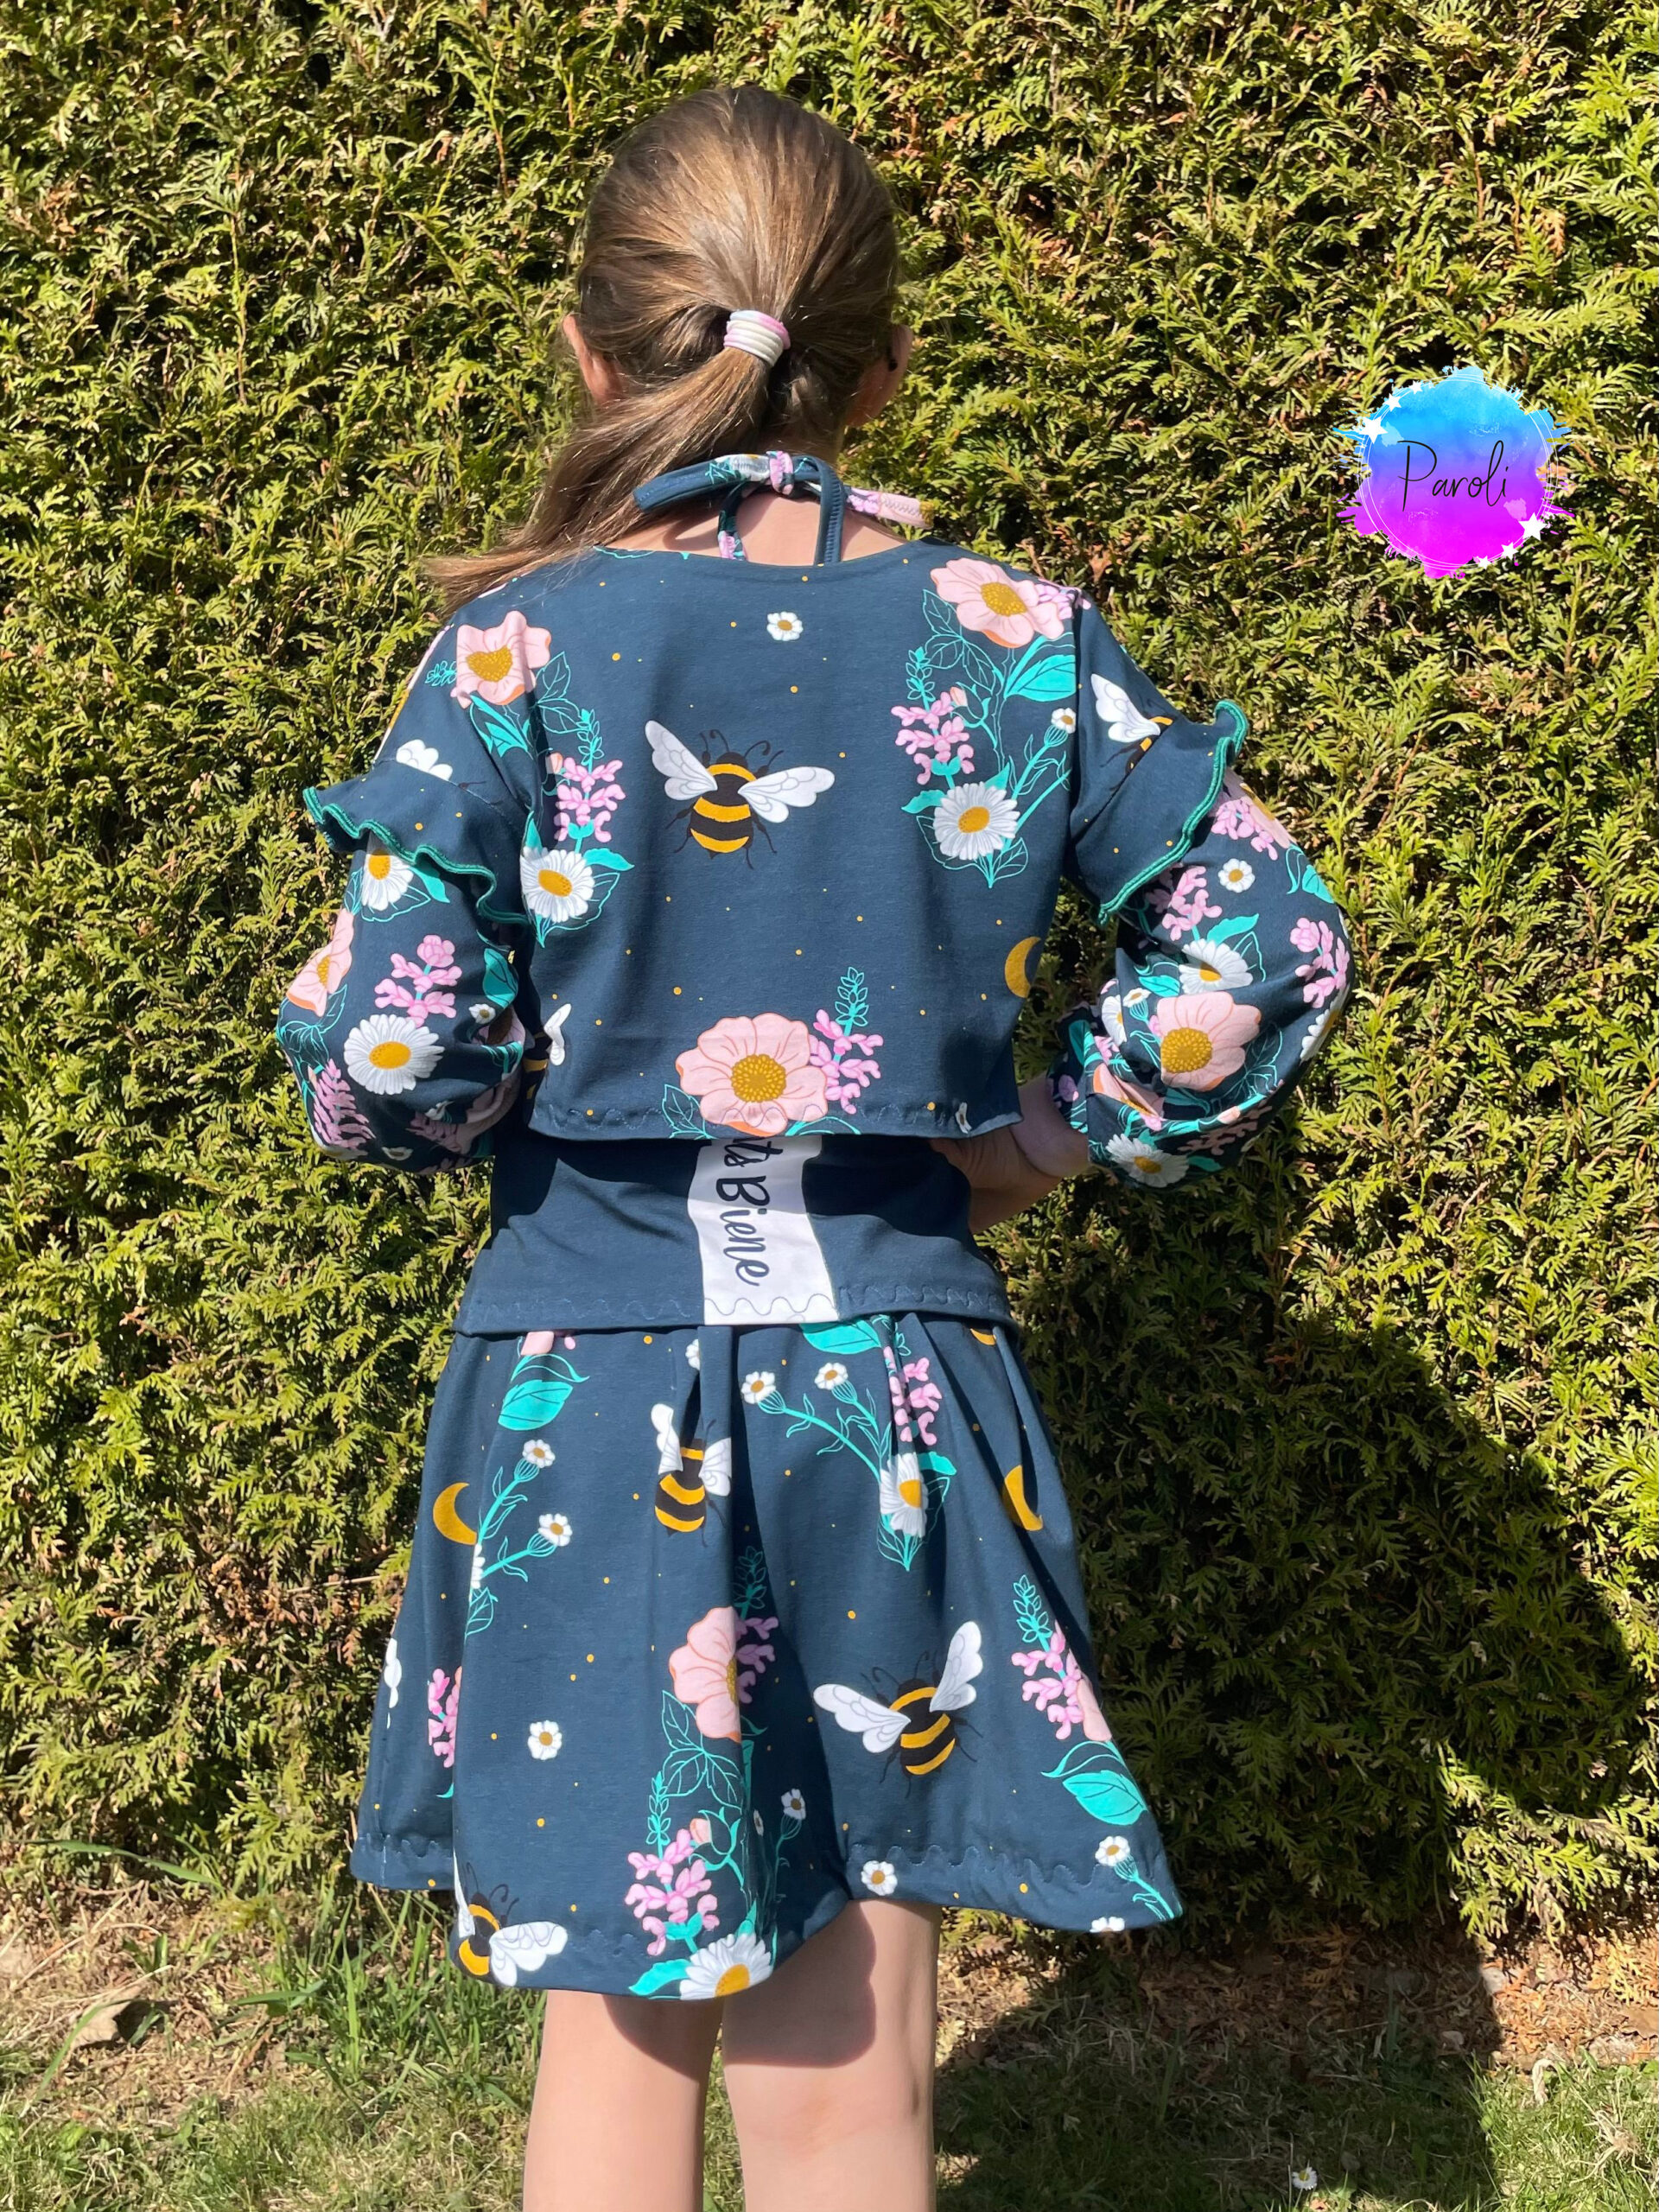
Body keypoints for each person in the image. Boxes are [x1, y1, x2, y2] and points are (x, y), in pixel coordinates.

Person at [275, 83, 1351, 2212]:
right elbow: (1264, 939)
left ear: (593, 352)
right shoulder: (1013, 635)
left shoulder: (522, 645)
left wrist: (433, 1093)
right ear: (883, 371)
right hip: (898, 1383)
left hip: (583, 1404)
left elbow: (395, 1042)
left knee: (619, 2032)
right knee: (852, 2055)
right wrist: (1045, 1137)